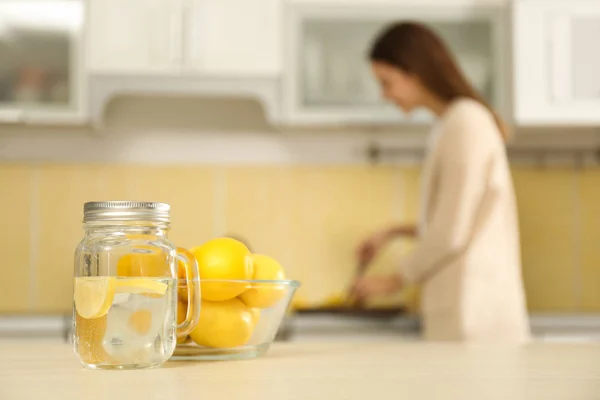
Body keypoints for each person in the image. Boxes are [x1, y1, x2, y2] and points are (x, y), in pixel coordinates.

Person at [351, 22, 530, 342]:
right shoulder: (453, 123)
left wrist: (393, 280)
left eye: (386, 82)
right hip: (465, 310)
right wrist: (391, 233)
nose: (385, 95)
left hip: (475, 314)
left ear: (413, 73)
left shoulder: (466, 123)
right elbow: (459, 217)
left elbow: (451, 231)